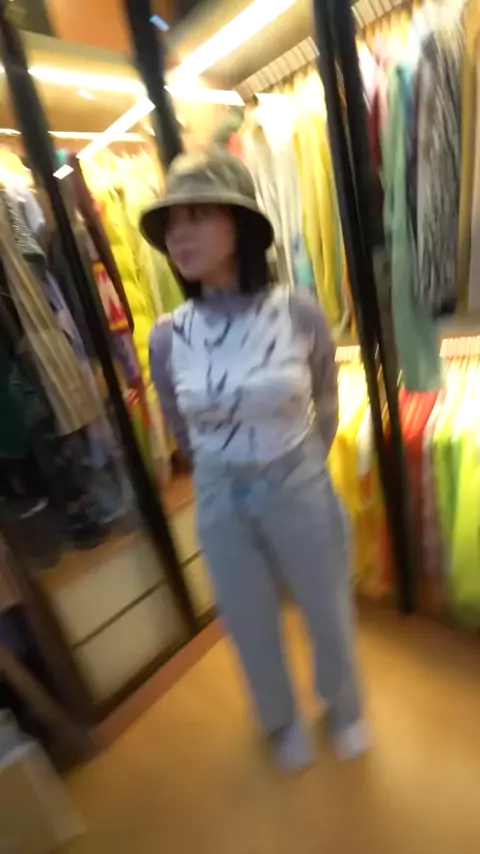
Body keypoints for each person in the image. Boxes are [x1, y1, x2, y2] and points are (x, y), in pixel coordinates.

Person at [143, 151, 369, 771]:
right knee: (247, 619)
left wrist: (308, 459)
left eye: (196, 216)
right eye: (171, 223)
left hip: (296, 476)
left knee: (326, 606)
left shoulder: (296, 310)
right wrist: (214, 470)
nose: (179, 235)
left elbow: (326, 393)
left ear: (238, 224)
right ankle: (280, 718)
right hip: (220, 495)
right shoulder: (167, 335)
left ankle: (344, 706)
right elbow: (177, 417)